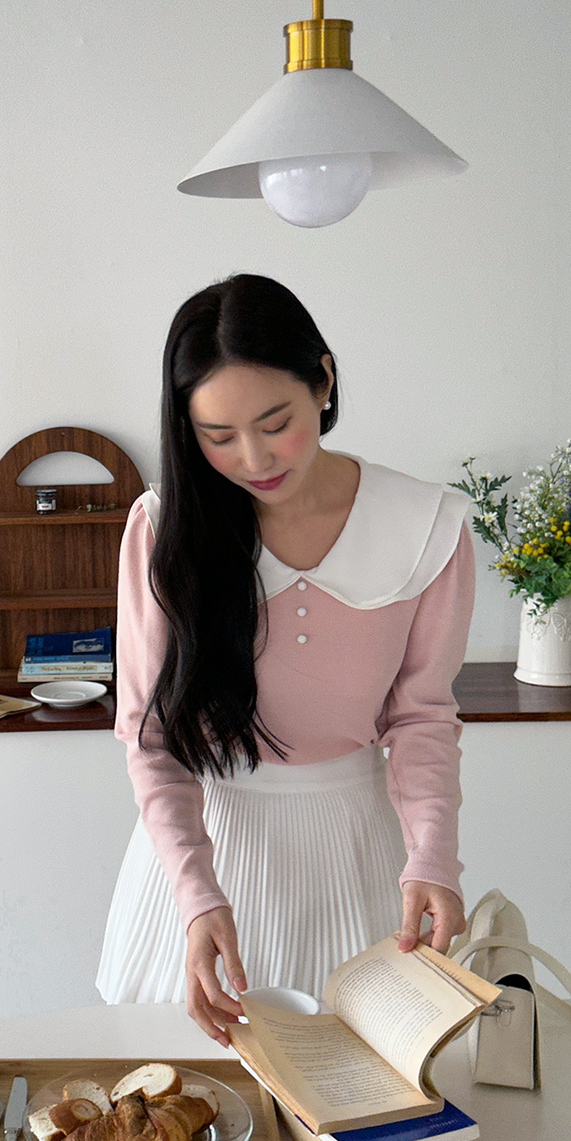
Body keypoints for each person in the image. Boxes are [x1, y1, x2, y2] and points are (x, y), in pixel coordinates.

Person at [95, 274, 475, 1047]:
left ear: (323, 382)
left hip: (358, 854)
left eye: (276, 424)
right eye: (218, 435)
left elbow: (422, 719)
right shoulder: (167, 529)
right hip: (204, 865)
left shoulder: (424, 526)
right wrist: (197, 897)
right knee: (185, 1098)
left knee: (362, 1090)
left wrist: (434, 857)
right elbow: (151, 738)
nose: (253, 458)